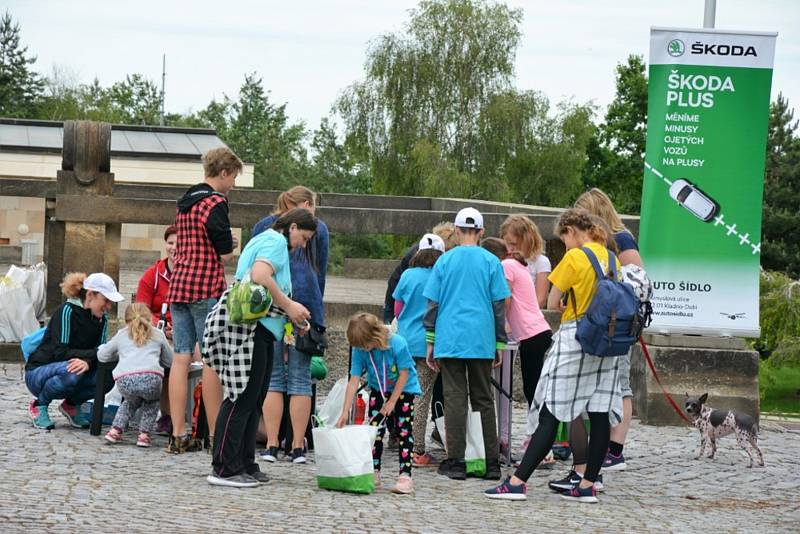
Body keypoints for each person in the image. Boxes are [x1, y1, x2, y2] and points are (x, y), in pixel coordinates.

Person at [484, 208, 623, 503]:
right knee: (598, 414)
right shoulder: (612, 259)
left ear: (571, 230)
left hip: (577, 338)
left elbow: (553, 298)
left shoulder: (575, 257)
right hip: (608, 342)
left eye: (564, 238)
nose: (565, 244)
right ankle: (587, 485)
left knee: (551, 410)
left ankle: (518, 482)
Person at [206, 208, 314, 488]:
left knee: (253, 399)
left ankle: (244, 463)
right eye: (303, 237)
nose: (303, 244)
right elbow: (260, 275)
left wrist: (290, 315)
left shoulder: (265, 238)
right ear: (292, 227)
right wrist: (289, 305)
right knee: (242, 398)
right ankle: (224, 468)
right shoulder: (277, 242)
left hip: (262, 329)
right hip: (253, 330)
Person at [423, 207, 510, 481]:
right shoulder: (491, 262)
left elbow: (433, 304)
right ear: (482, 232)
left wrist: (430, 342)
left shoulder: (444, 262)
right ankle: (492, 463)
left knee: (455, 399)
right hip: (482, 338)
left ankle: (456, 462)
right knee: (484, 399)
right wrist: (499, 342)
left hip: (450, 339)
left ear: (457, 231)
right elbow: (499, 306)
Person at [166, 147, 241, 454]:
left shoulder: (185, 202)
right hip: (204, 285)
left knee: (181, 359)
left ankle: (179, 433)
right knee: (211, 361)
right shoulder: (215, 202)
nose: (233, 184)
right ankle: (215, 436)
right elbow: (224, 252)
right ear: (223, 173)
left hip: (178, 285)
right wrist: (232, 242)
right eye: (233, 177)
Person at [252, 186, 329, 464]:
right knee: (300, 378)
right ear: (307, 205)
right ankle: (297, 446)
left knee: (272, 377)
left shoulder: (263, 225)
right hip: (305, 304)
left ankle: (271, 444)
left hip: (271, 305)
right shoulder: (318, 229)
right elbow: (320, 272)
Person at [574, 187, 644, 472]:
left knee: (621, 384)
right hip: (599, 321)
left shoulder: (622, 238)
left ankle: (616, 450)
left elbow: (636, 277)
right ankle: (597, 446)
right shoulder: (597, 241)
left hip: (617, 321)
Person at [480, 237, 553, 458]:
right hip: (537, 332)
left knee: (533, 391)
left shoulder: (506, 266)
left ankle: (540, 443)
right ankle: (538, 441)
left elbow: (506, 298)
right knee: (534, 389)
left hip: (531, 333)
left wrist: (500, 325)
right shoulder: (516, 264)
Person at [336, 312, 422, 495]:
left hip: (403, 390)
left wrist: (392, 402)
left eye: (365, 345)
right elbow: (354, 380)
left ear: (374, 336)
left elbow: (404, 373)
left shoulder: (397, 343)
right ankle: (373, 471)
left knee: (404, 430)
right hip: (378, 390)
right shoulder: (360, 350)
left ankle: (405, 475)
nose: (364, 349)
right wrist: (344, 411)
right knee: (374, 431)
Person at [25, 272, 123, 430]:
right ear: (90, 295)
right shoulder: (67, 311)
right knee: (73, 370)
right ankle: (39, 404)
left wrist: (88, 361)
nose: (109, 307)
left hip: (75, 369)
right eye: (106, 300)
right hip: (40, 371)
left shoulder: (102, 319)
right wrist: (89, 357)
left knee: (109, 374)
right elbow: (59, 352)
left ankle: (71, 405)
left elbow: (102, 353)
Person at [392, 233, 445, 468]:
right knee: (421, 398)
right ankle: (417, 450)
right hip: (427, 346)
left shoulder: (407, 275)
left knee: (401, 393)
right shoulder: (441, 276)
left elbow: (397, 308)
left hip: (403, 342)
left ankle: (398, 438)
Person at [98, 303, 173, 448]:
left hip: (125, 380)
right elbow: (170, 361)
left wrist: (120, 354)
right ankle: (144, 434)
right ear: (150, 318)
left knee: (130, 401)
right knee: (152, 402)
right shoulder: (158, 334)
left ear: (126, 320)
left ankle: (115, 430)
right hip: (151, 379)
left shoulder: (121, 335)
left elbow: (102, 355)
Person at [136, 224, 178, 435]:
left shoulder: (191, 275)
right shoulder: (151, 276)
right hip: (155, 332)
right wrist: (161, 326)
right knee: (163, 359)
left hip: (183, 332)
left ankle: (196, 413)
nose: (174, 248)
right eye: (170, 243)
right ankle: (166, 415)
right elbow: (140, 311)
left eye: (179, 244)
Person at [500, 214, 551, 309]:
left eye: (514, 244)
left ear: (528, 240)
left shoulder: (541, 262)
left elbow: (541, 299)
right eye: (506, 243)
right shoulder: (504, 261)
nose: (509, 249)